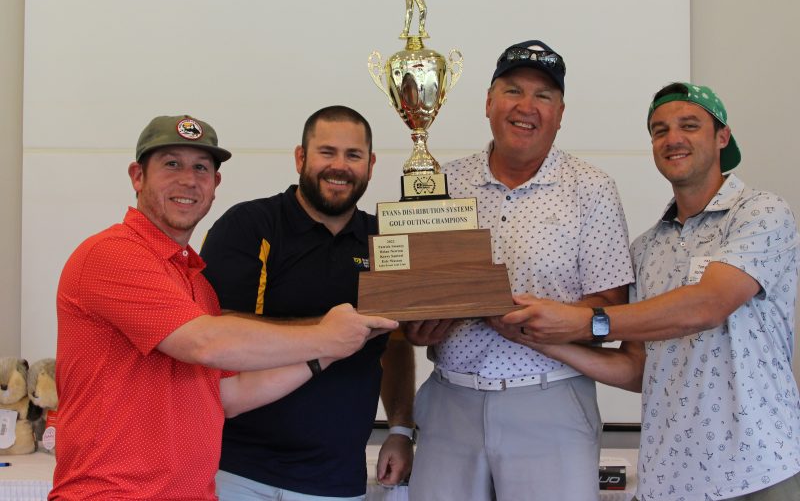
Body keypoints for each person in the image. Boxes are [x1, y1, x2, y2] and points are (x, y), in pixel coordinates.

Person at [49, 115, 397, 501]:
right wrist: (325, 335)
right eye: (171, 164)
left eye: (201, 168)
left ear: (215, 184)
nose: (188, 180)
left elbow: (231, 394)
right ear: (137, 176)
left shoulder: (197, 284)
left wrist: (336, 348)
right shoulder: (111, 254)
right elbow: (205, 343)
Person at [503, 83, 800, 500]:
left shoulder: (760, 213)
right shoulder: (645, 249)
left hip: (756, 472)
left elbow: (708, 305)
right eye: (660, 130)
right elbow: (637, 368)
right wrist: (542, 338)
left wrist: (585, 322)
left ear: (722, 137)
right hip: (668, 480)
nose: (672, 138)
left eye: (689, 125)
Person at [404, 40, 635, 501]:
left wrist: (544, 321)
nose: (526, 107)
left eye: (543, 95)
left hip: (550, 403)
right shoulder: (440, 182)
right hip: (450, 402)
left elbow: (611, 307)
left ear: (560, 113)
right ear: (489, 102)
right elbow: (412, 289)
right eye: (513, 90)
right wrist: (415, 322)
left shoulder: (592, 188)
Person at [200, 105, 416, 500]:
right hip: (236, 469)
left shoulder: (385, 241)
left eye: (353, 155)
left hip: (335, 480)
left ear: (370, 166)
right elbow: (220, 330)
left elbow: (396, 342)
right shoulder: (249, 225)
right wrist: (328, 334)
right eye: (326, 152)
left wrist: (400, 429)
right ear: (301, 158)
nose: (340, 166)